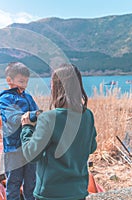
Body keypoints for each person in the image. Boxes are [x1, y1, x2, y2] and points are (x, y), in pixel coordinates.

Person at [20, 63, 97, 200]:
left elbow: (31, 155)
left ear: (56, 87)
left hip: (51, 193)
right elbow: (91, 147)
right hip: (78, 191)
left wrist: (27, 128)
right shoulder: (87, 115)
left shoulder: (49, 118)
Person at [0, 62, 39, 200]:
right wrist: (34, 115)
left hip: (29, 145)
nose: (24, 85)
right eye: (21, 81)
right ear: (9, 80)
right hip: (13, 148)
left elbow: (36, 113)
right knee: (13, 183)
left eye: (26, 81)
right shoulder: (4, 99)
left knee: (31, 182)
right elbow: (14, 118)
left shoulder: (28, 97)